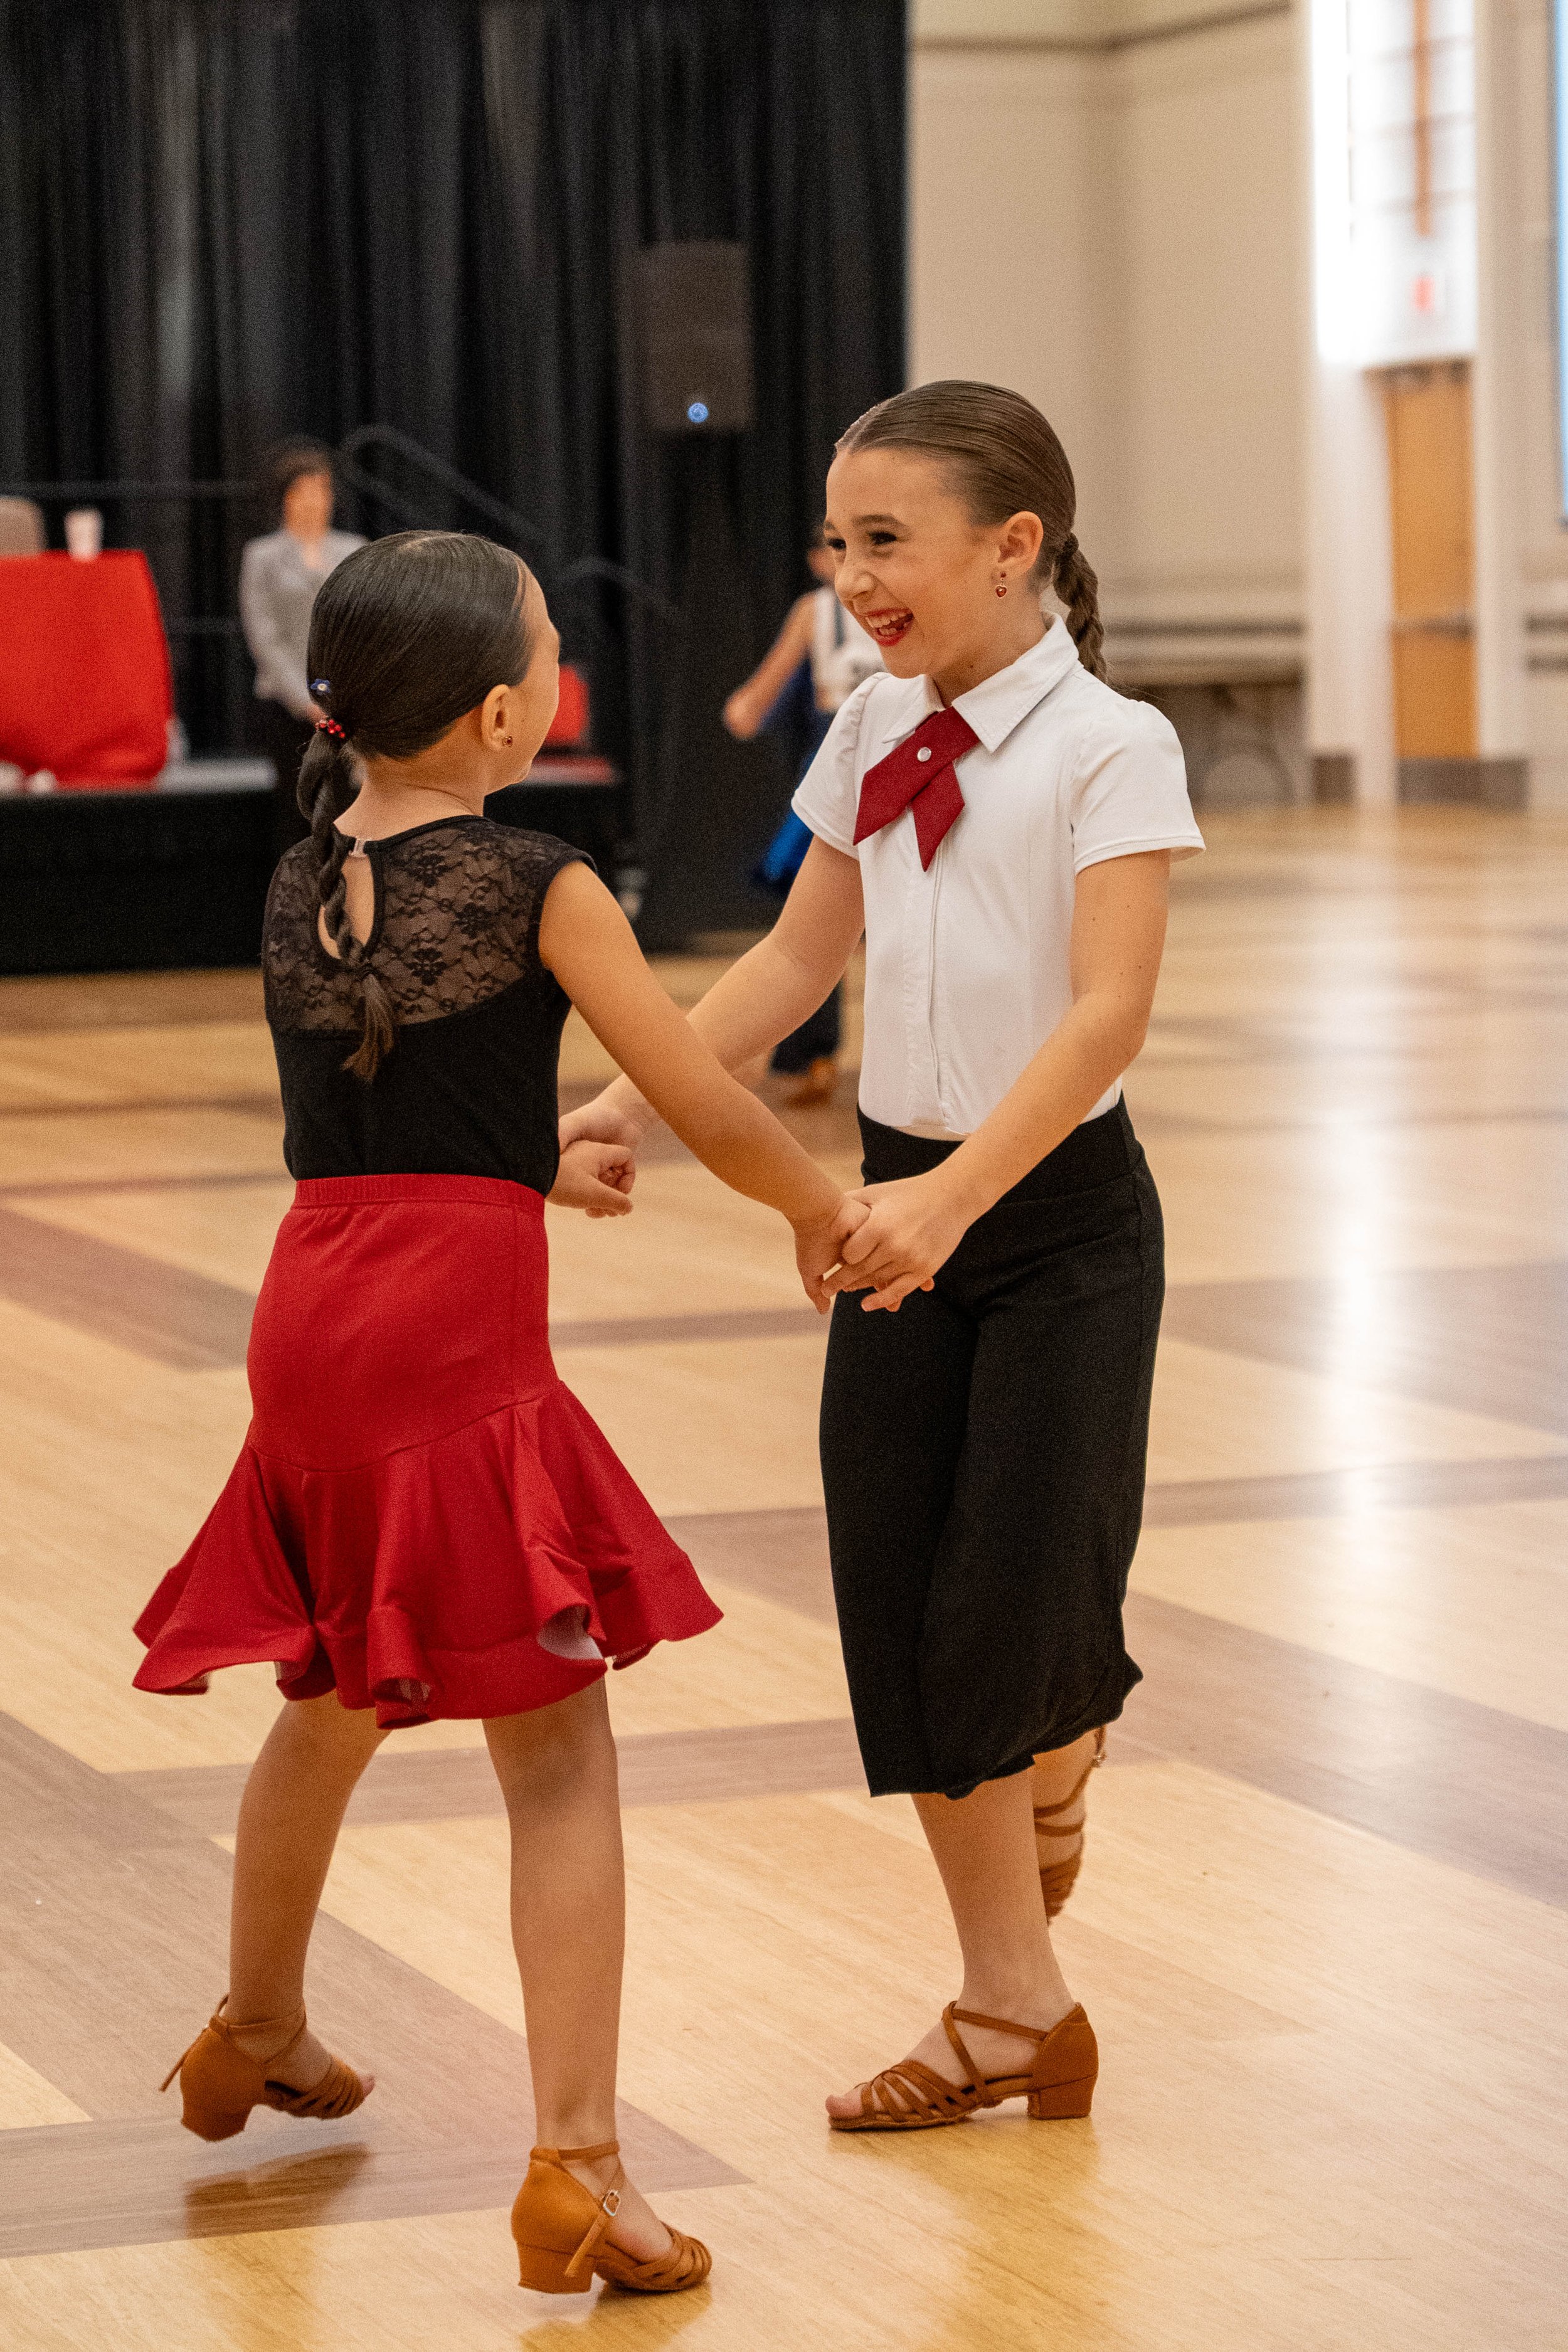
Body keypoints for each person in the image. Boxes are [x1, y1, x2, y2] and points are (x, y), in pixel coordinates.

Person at [134, 530, 857, 2295]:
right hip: (454, 1349)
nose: (557, 671)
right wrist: (818, 1216)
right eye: (547, 648)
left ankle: (257, 2023)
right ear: (498, 708)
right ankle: (581, 2167)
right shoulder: (541, 877)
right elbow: (700, 1084)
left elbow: (369, 1119)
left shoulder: (301, 867)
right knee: (556, 1748)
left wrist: (524, 1161)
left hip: (312, 1316)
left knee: (330, 1684)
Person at [563, 380, 1203, 2133]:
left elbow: (1104, 1015)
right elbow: (784, 967)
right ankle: (1016, 2005)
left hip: (1050, 1220)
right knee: (916, 1624)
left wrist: (951, 1201)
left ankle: (1062, 1736)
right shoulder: (867, 729)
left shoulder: (1109, 745)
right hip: (894, 1218)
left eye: (884, 540)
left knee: (1017, 1622)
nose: (852, 574)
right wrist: (623, 1101)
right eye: (838, 542)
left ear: (1014, 550)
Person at [722, 529, 882, 1104]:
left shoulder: (911, 602)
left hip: (908, 757)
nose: (842, 559)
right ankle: (810, 1053)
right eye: (832, 545)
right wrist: (753, 704)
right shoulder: (815, 613)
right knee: (816, 911)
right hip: (842, 763)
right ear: (819, 559)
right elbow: (747, 710)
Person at [240, 440, 365, 857]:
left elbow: (362, 626)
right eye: (305, 490)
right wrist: (306, 699)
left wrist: (339, 695)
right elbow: (265, 636)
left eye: (323, 490)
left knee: (349, 808)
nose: (315, 501)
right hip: (287, 704)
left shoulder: (353, 549)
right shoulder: (262, 556)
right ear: (287, 498)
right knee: (296, 810)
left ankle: (348, 905)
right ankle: (297, 907)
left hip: (345, 702)